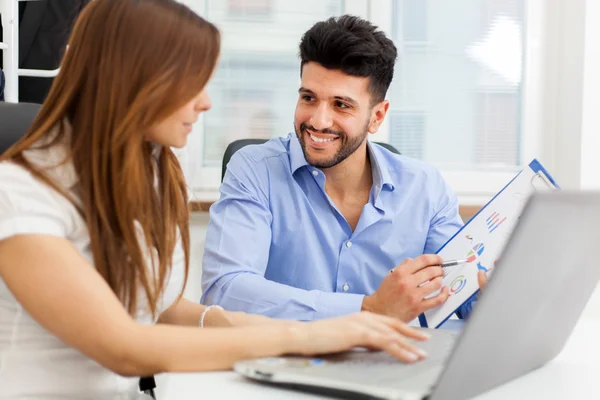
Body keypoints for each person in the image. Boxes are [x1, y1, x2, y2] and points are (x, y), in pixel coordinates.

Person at [0, 1, 430, 399]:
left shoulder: (147, 174)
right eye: (192, 84)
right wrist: (316, 334)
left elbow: (163, 308)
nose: (205, 103)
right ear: (132, 81)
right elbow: (125, 349)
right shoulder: (18, 194)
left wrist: (300, 333)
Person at [201, 15, 487, 323]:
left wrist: (495, 288)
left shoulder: (425, 188)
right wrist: (366, 309)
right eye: (308, 98)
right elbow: (224, 290)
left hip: (389, 363)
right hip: (284, 361)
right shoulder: (254, 170)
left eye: (341, 105)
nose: (318, 121)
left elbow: (463, 295)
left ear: (377, 116)